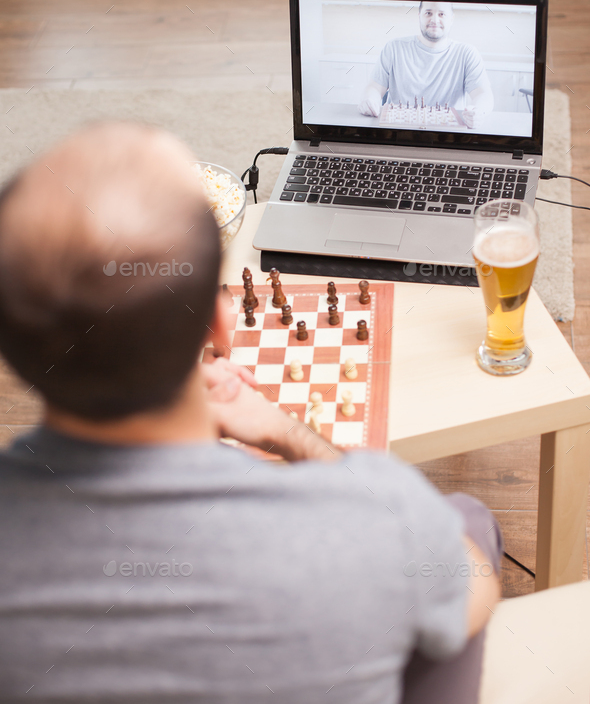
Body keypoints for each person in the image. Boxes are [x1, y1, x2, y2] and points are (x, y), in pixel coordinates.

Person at [0, 122, 506, 703]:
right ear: (219, 325)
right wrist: (289, 435)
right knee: (466, 523)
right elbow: (476, 592)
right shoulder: (378, 518)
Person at [358, 1, 494, 129]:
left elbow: (483, 94)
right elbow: (374, 87)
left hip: (448, 137)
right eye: (428, 13)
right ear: (419, 17)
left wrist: (478, 112)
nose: (434, 20)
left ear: (451, 19)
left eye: (441, 14)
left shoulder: (467, 53)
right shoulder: (394, 48)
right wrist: (369, 100)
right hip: (397, 133)